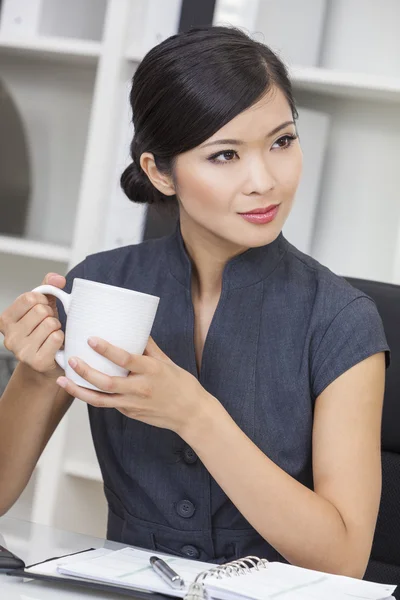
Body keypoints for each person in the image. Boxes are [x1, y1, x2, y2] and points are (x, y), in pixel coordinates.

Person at [0, 26, 390, 577]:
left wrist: (195, 415)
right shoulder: (100, 285)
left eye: (282, 141)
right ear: (160, 172)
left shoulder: (340, 321)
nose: (265, 181)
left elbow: (344, 560)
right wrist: (36, 374)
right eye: (225, 154)